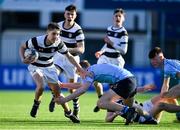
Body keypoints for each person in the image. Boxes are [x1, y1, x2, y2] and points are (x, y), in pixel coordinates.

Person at [19, 22, 87, 123]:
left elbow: (69, 56)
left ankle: (68, 113)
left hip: (49, 67)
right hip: (35, 66)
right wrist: (23, 59)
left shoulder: (59, 43)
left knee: (58, 94)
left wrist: (80, 68)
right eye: (54, 34)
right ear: (48, 32)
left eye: (58, 34)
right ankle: (36, 104)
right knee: (41, 85)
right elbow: (22, 47)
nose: (56, 36)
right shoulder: (36, 41)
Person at [55, 62, 157, 125]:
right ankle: (150, 119)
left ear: (82, 69)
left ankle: (127, 110)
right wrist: (64, 85)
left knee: (101, 103)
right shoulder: (93, 69)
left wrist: (64, 100)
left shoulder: (89, 72)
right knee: (132, 104)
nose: (80, 76)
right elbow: (81, 85)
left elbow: (82, 90)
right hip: (131, 80)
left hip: (124, 81)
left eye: (78, 73)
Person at [49, 4, 85, 119]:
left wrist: (67, 50)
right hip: (59, 57)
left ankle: (76, 106)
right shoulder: (58, 26)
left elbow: (81, 49)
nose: (70, 16)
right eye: (68, 14)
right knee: (52, 76)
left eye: (72, 14)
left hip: (72, 59)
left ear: (75, 15)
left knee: (71, 89)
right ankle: (55, 97)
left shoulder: (78, 30)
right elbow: (50, 39)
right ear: (64, 14)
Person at [93, 8, 128, 112]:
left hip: (116, 61)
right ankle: (101, 98)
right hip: (105, 58)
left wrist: (111, 43)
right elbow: (107, 44)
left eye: (120, 16)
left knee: (115, 86)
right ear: (113, 17)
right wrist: (101, 51)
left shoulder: (123, 33)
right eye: (116, 16)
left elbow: (124, 50)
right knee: (95, 79)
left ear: (123, 19)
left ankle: (112, 104)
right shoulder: (109, 28)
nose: (117, 18)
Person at [148, 47, 180, 120]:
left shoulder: (168, 67)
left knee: (167, 96)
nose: (152, 62)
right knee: (166, 95)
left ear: (161, 57)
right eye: (151, 60)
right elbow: (166, 84)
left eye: (154, 59)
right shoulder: (166, 66)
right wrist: (162, 96)